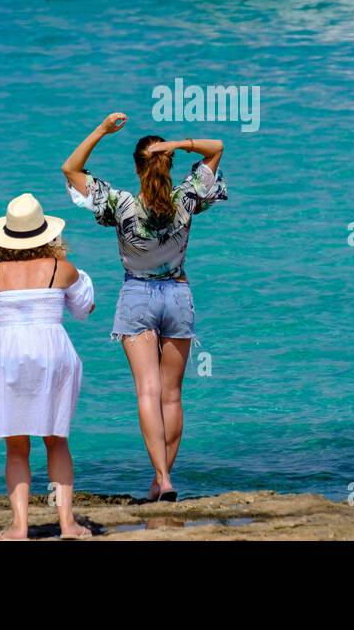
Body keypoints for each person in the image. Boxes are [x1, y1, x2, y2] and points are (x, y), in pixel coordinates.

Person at [62, 113, 227, 502]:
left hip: (136, 296)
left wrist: (101, 129)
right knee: (172, 395)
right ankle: (163, 479)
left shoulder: (120, 204)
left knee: (147, 393)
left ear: (137, 167)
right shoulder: (185, 197)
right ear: (166, 163)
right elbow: (216, 147)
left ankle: (161, 479)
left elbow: (70, 168)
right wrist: (177, 145)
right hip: (178, 296)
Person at [0, 192, 96, 540]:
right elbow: (84, 309)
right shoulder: (63, 269)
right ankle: (67, 524)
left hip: (6, 352)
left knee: (16, 445)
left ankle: (19, 526)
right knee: (56, 440)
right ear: (46, 233)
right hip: (50, 351)